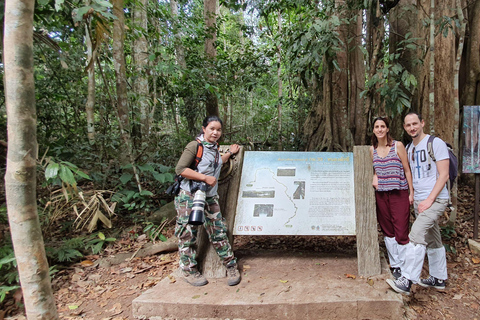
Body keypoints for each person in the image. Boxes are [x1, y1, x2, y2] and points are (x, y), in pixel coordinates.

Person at [387, 112, 450, 295]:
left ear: (422, 123)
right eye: (408, 125)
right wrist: (413, 195)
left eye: (415, 123)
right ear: (405, 127)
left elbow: (444, 175)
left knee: (415, 234)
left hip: (435, 199)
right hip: (420, 199)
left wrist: (429, 200)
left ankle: (407, 280)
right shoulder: (408, 148)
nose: (412, 127)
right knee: (432, 238)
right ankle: (438, 278)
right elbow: (410, 174)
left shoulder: (435, 143)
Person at [174, 115, 241, 287]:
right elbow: (180, 169)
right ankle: (189, 271)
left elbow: (216, 163)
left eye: (218, 129)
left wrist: (229, 154)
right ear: (204, 129)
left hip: (210, 196)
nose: (215, 132)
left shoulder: (214, 148)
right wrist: (204, 178)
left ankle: (231, 266)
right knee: (187, 233)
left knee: (218, 230)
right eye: (212, 129)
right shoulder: (195, 146)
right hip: (190, 196)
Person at [370, 117, 413, 281]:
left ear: (387, 129)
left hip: (399, 192)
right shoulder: (371, 149)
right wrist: (375, 175)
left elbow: (407, 170)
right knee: (388, 230)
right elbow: (375, 168)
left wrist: (411, 192)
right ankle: (395, 265)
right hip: (381, 194)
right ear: (373, 130)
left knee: (401, 230)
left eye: (383, 126)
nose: (380, 129)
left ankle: (405, 266)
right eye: (377, 127)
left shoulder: (398, 146)